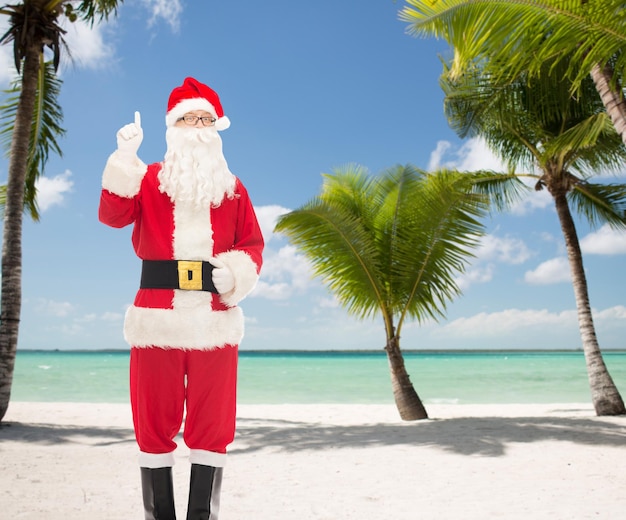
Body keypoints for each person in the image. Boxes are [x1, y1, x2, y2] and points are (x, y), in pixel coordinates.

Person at [98, 77, 264, 520]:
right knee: (152, 425)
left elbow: (252, 246)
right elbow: (111, 216)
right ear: (173, 126)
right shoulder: (149, 179)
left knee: (213, 426)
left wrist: (233, 273)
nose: (197, 126)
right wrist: (124, 158)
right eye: (189, 118)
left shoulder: (233, 189)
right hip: (156, 319)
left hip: (214, 318)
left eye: (205, 119)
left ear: (217, 128)